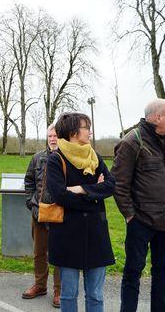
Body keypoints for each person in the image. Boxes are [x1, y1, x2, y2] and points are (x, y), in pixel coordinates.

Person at [111, 99, 165, 312]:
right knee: (133, 272)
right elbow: (119, 183)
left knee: (163, 273)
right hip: (141, 222)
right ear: (158, 117)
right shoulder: (132, 141)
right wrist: (130, 216)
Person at [46, 112, 116, 312]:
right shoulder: (55, 159)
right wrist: (95, 192)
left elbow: (111, 185)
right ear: (73, 132)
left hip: (96, 234)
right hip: (68, 235)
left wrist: (81, 189)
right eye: (87, 127)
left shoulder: (94, 156)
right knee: (68, 295)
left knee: (95, 295)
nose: (90, 132)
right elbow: (60, 195)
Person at [22, 124, 61, 308]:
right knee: (39, 253)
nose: (52, 139)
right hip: (39, 213)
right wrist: (31, 202)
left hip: (60, 215)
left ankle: (59, 290)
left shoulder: (66, 158)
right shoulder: (37, 158)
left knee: (59, 254)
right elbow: (29, 181)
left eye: (55, 136)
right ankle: (40, 285)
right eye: (50, 136)